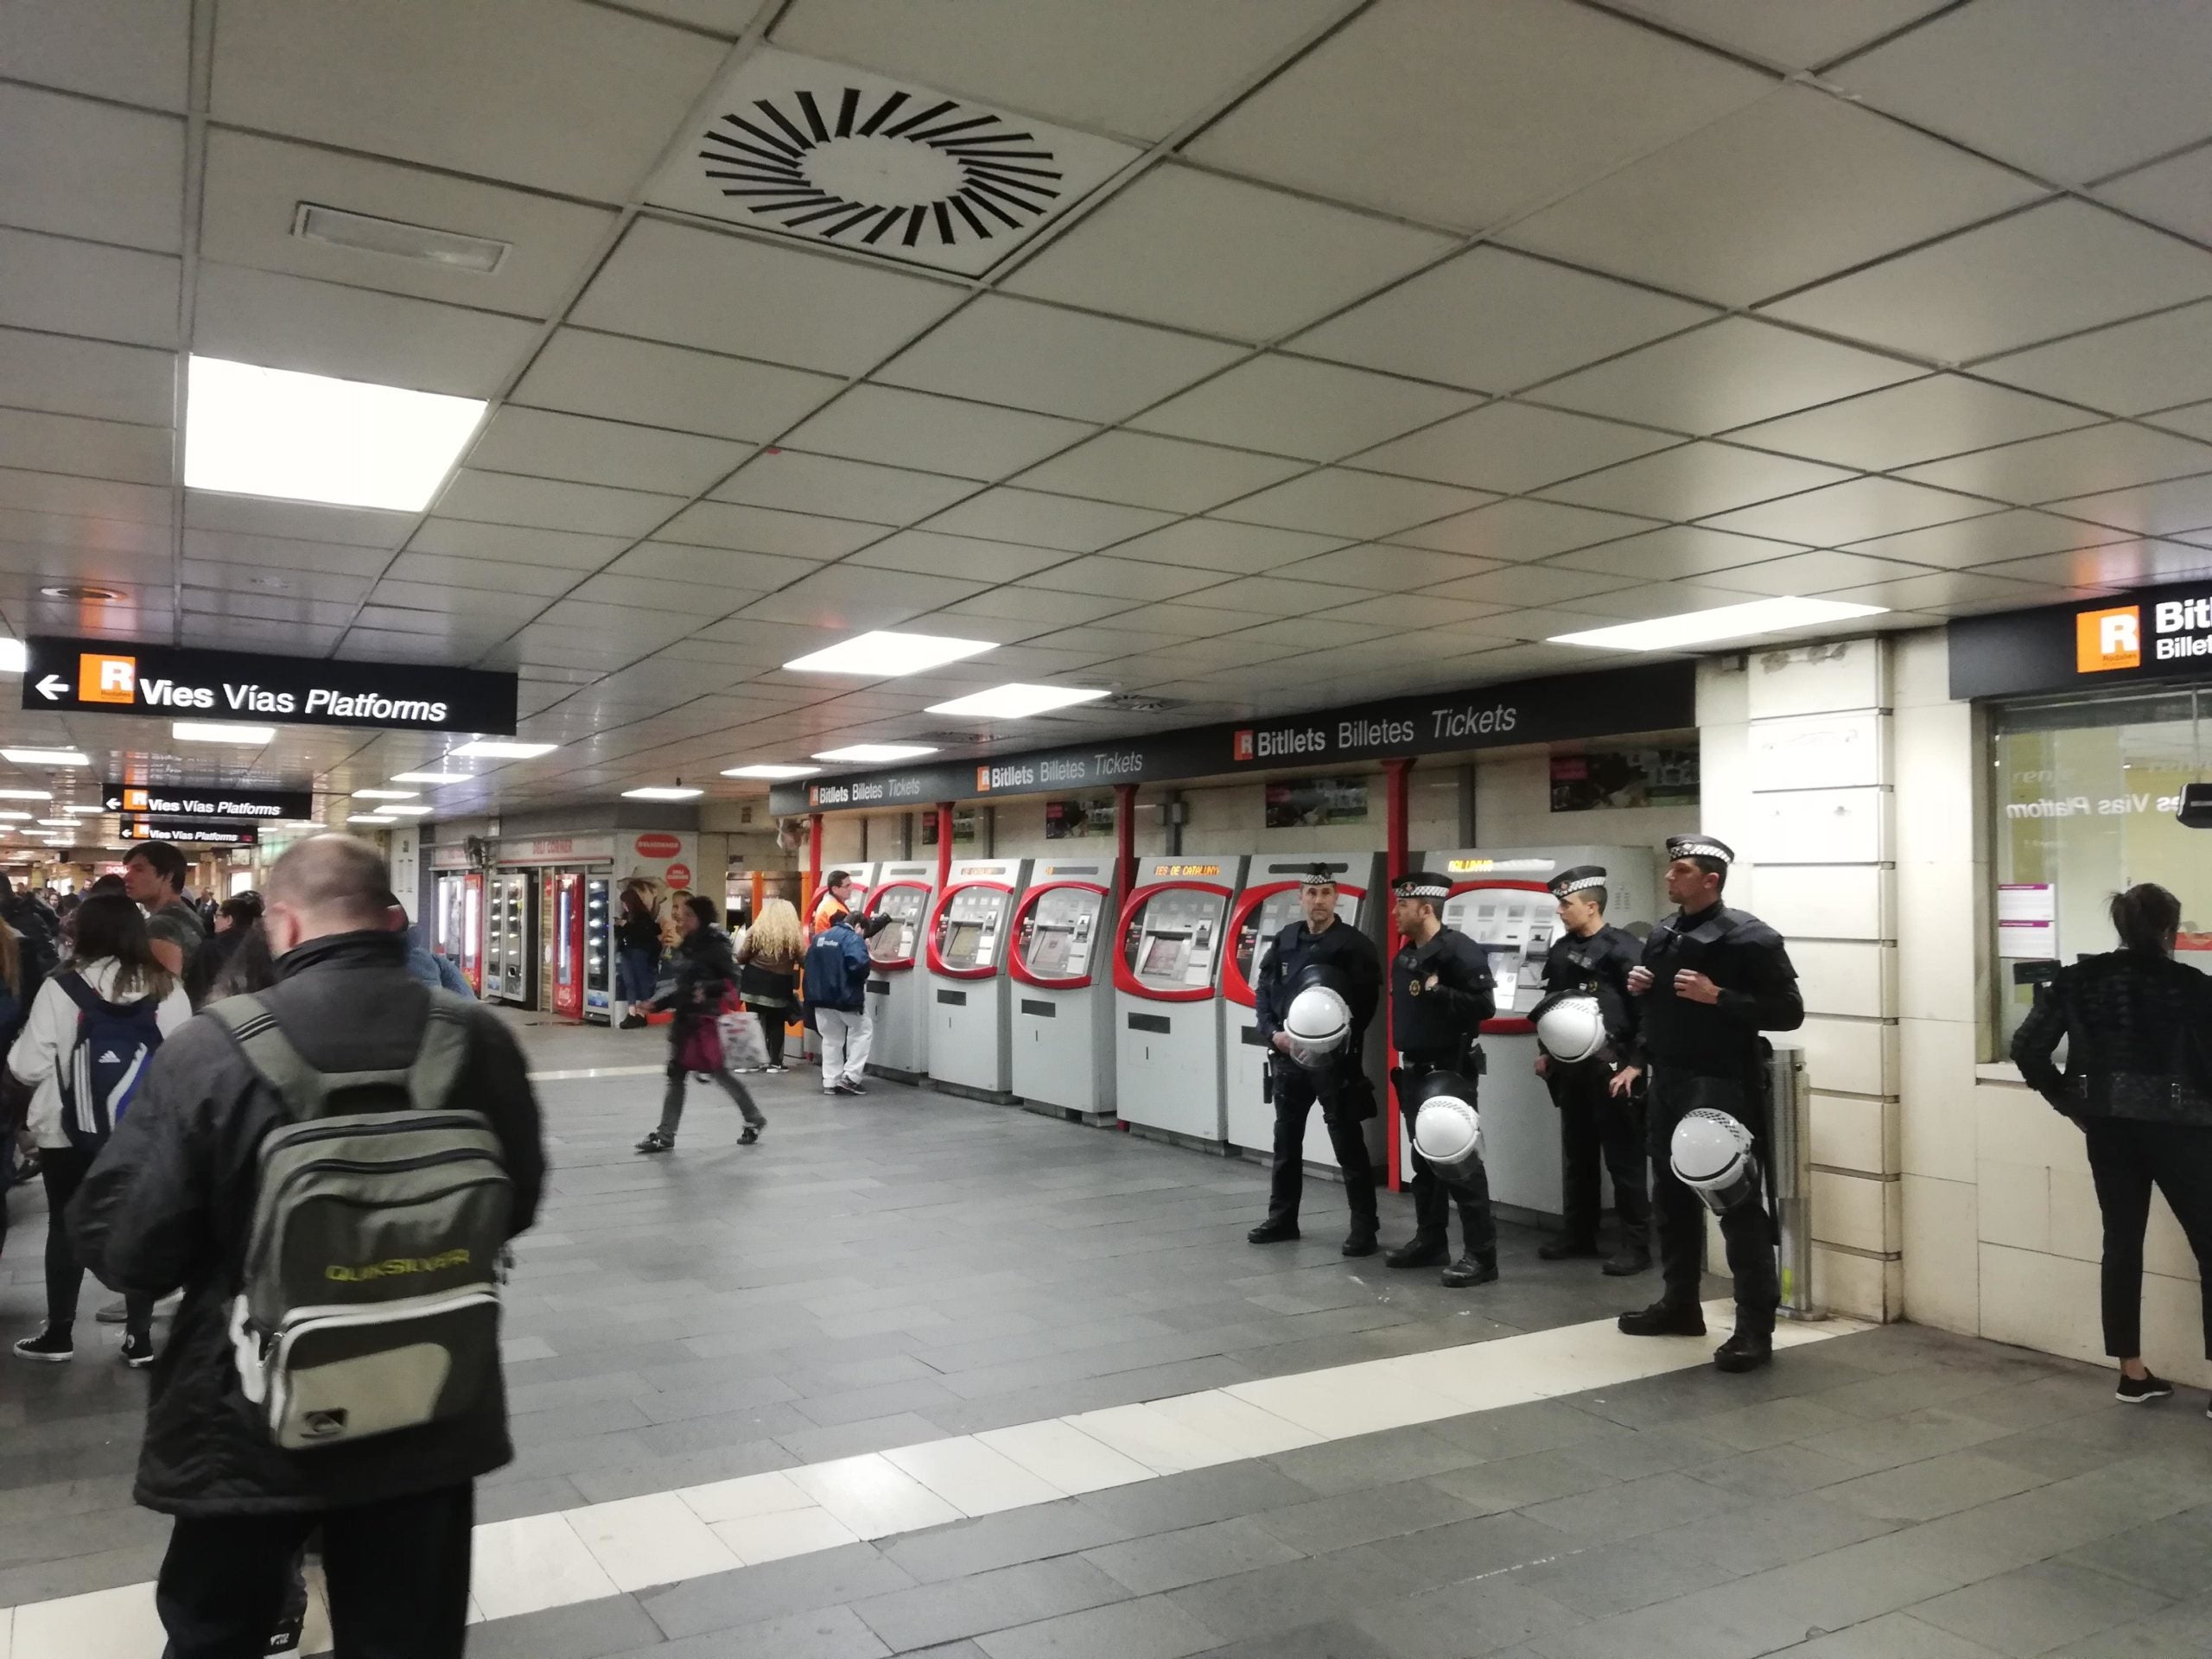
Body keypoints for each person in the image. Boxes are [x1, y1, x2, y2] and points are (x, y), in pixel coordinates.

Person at [70, 833, 545, 1659]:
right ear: (388, 916)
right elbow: (517, 1202)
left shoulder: (213, 1048)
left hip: (248, 1422)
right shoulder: (479, 1039)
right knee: (406, 1639)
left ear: (283, 924)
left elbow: (129, 1249)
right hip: (429, 1405)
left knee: (217, 1633)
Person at [2012, 883, 2212, 1406]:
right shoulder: (2191, 986)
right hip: (2184, 1130)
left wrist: (2070, 1105)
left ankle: (2132, 1371)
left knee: (2121, 1243)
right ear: (2170, 930)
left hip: (2108, 1129)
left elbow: (2027, 1046)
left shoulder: (2079, 980)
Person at [1617, 835, 1803, 1374]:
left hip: (1721, 1083)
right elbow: (1655, 1012)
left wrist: (1718, 995)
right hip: (1669, 1080)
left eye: (1680, 870)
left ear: (1710, 880)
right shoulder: (1663, 932)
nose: (1669, 878)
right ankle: (1680, 1305)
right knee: (1670, 1201)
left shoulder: (1750, 938)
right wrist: (1641, 991)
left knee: (1734, 1204)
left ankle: (1753, 1330)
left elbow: (1789, 1011)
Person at [8, 893, 191, 1366]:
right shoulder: (167, 987)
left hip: (65, 1133)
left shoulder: (61, 988)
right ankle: (139, 1338)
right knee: (138, 1225)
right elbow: (186, 1062)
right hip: (141, 1134)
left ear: (82, 933)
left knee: (64, 1229)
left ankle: (59, 1335)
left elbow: (27, 1067)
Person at [1247, 865, 1383, 1256]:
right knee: (1286, 1143)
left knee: (1348, 1145)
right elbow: (1264, 990)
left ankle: (1364, 1228)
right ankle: (1282, 1219)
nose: (1318, 900)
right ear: (1300, 897)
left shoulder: (1355, 945)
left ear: (1337, 897)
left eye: (1325, 893)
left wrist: (1330, 1044)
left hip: (1333, 1063)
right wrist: (1272, 1033)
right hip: (1289, 1059)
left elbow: (1365, 1009)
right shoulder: (1286, 939)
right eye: (1311, 893)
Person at [1384, 872, 1499, 1287]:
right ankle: (1431, 1241)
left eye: (1402, 905)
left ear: (1425, 909)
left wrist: (1441, 993)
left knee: (1460, 1161)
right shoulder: (1407, 955)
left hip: (1449, 1071)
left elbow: (1485, 1005)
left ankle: (1482, 1256)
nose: (1396, 911)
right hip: (1415, 1071)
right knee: (1424, 1164)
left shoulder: (1458, 952)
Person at [1535, 866, 1650, 1276]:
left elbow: (1645, 1012)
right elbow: (1552, 1007)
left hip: (1613, 1067)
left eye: (1566, 904)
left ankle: (1636, 1244)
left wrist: (1637, 1064)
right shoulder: (1562, 950)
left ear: (1592, 906)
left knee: (1624, 1159)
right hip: (1572, 1070)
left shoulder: (1624, 949)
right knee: (1577, 1155)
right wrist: (1546, 1051)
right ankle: (1578, 1233)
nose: (1560, 912)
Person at [634, 895, 766, 1154]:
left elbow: (733, 979)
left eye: (687, 915)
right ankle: (665, 1135)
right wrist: (657, 1005)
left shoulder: (716, 945)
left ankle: (754, 1118)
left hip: (707, 1022)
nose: (681, 919)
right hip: (686, 1022)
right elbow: (684, 986)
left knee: (719, 1073)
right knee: (677, 1075)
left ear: (700, 917)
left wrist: (708, 989)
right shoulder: (689, 945)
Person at [124, 841, 213, 1003]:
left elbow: (163, 996)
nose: (127, 878)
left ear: (168, 876)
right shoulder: (190, 916)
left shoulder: (161, 926)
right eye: (128, 870)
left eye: (139, 870)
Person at [805, 904, 874, 1096]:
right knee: (862, 1031)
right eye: (864, 933)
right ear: (859, 926)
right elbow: (859, 965)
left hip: (819, 998)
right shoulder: (852, 938)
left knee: (831, 1039)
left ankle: (830, 1080)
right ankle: (850, 1077)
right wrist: (866, 953)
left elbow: (808, 964)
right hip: (845, 998)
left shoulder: (820, 937)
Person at [736, 896, 804, 1074]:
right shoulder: (792, 936)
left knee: (754, 1021)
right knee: (776, 1022)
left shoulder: (756, 931)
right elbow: (804, 959)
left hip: (753, 981)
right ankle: (775, 1063)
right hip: (778, 983)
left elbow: (741, 956)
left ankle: (754, 1061)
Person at [615, 882, 662, 1030]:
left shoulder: (643, 917)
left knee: (641, 981)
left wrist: (626, 926)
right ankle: (632, 1012)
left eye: (625, 903)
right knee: (629, 981)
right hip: (628, 951)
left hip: (640, 952)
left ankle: (641, 1014)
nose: (624, 906)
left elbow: (644, 934)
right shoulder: (627, 916)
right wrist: (620, 928)